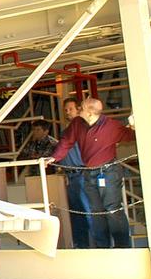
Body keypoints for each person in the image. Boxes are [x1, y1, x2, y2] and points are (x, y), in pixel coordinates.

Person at [47, 97, 136, 248]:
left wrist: (135, 125)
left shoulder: (111, 126)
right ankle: (102, 246)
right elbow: (67, 141)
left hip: (108, 171)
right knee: (96, 211)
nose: (78, 110)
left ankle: (122, 246)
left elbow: (130, 135)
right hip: (89, 172)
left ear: (90, 113)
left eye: (81, 108)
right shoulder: (77, 124)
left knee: (112, 208)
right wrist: (54, 157)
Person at [59, 99, 92, 248]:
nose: (67, 113)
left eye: (70, 109)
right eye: (66, 110)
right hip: (70, 175)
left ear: (78, 109)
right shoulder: (66, 131)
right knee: (76, 213)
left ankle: (97, 244)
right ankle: (82, 244)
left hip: (82, 173)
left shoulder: (85, 129)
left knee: (87, 211)